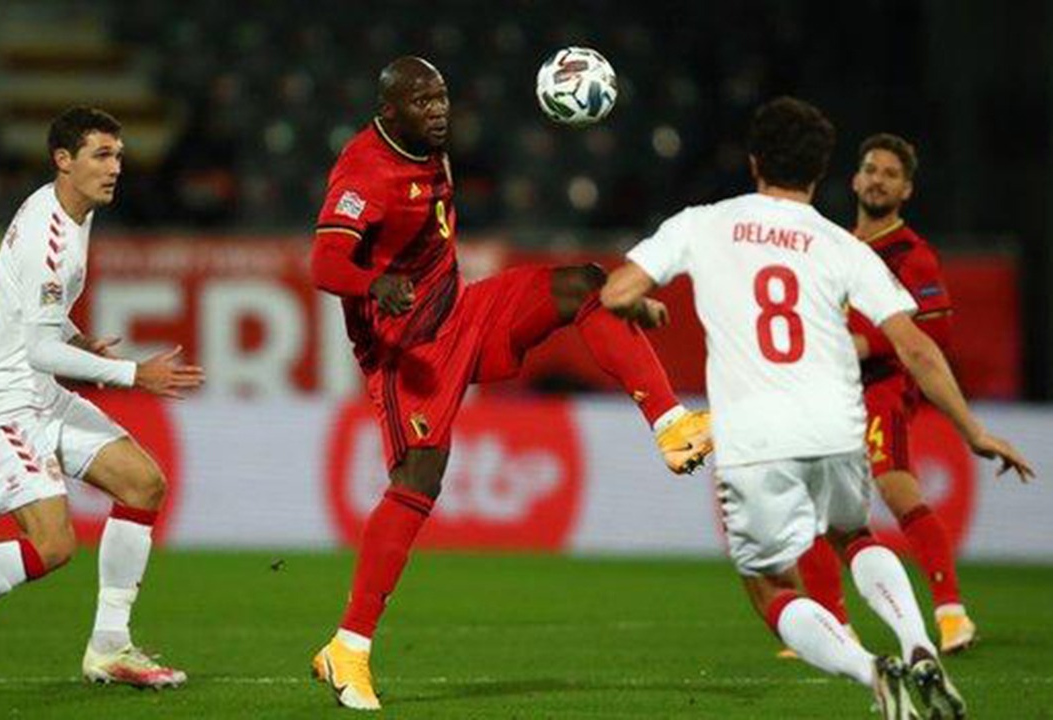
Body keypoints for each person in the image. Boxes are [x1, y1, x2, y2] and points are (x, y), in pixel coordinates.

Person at [601, 97, 1032, 719]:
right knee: (855, 534)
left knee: (769, 584)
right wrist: (973, 431)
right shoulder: (843, 245)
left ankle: (868, 669)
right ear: (824, 172)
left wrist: (642, 305)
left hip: (754, 436)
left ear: (754, 161)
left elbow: (616, 293)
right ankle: (917, 642)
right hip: (835, 425)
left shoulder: (703, 223)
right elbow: (916, 347)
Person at [308, 56, 711, 711]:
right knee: (419, 481)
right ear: (389, 111)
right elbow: (324, 263)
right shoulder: (365, 171)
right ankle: (348, 647)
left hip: (461, 309)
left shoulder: (430, 147)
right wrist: (372, 283)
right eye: (423, 102)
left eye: (442, 97)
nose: (439, 110)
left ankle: (673, 423)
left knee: (585, 284)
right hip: (406, 345)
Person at [0, 107, 205, 700]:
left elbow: (36, 318)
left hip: (36, 391)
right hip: (0, 400)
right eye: (102, 155)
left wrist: (78, 339)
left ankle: (110, 646)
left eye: (119, 156)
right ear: (63, 160)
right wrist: (133, 374)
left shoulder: (68, 210)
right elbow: (39, 349)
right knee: (53, 546)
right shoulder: (52, 240)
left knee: (143, 485)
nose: (115, 168)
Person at [794, 134, 981, 655]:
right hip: (829, 390)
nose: (878, 180)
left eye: (890, 174)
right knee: (808, 505)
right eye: (871, 170)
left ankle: (951, 615)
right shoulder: (834, 246)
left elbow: (935, 333)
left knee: (898, 491)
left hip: (883, 384)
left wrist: (865, 343)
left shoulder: (913, 256)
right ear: (855, 180)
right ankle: (834, 623)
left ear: (907, 190)